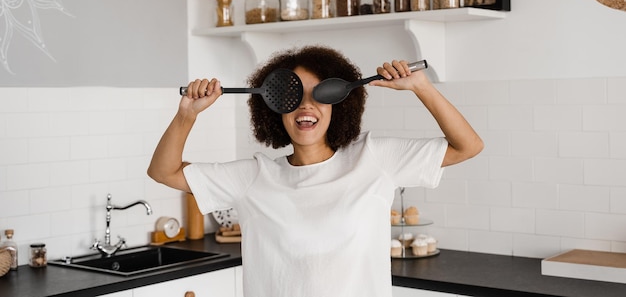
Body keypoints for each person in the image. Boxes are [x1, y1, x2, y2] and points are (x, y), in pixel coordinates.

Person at [148, 45, 483, 297]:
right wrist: (187, 114)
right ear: (274, 109)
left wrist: (421, 88)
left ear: (339, 105)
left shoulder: (374, 159)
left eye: (320, 95)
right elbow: (164, 172)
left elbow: (467, 146)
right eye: (291, 96)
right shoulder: (253, 177)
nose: (306, 106)